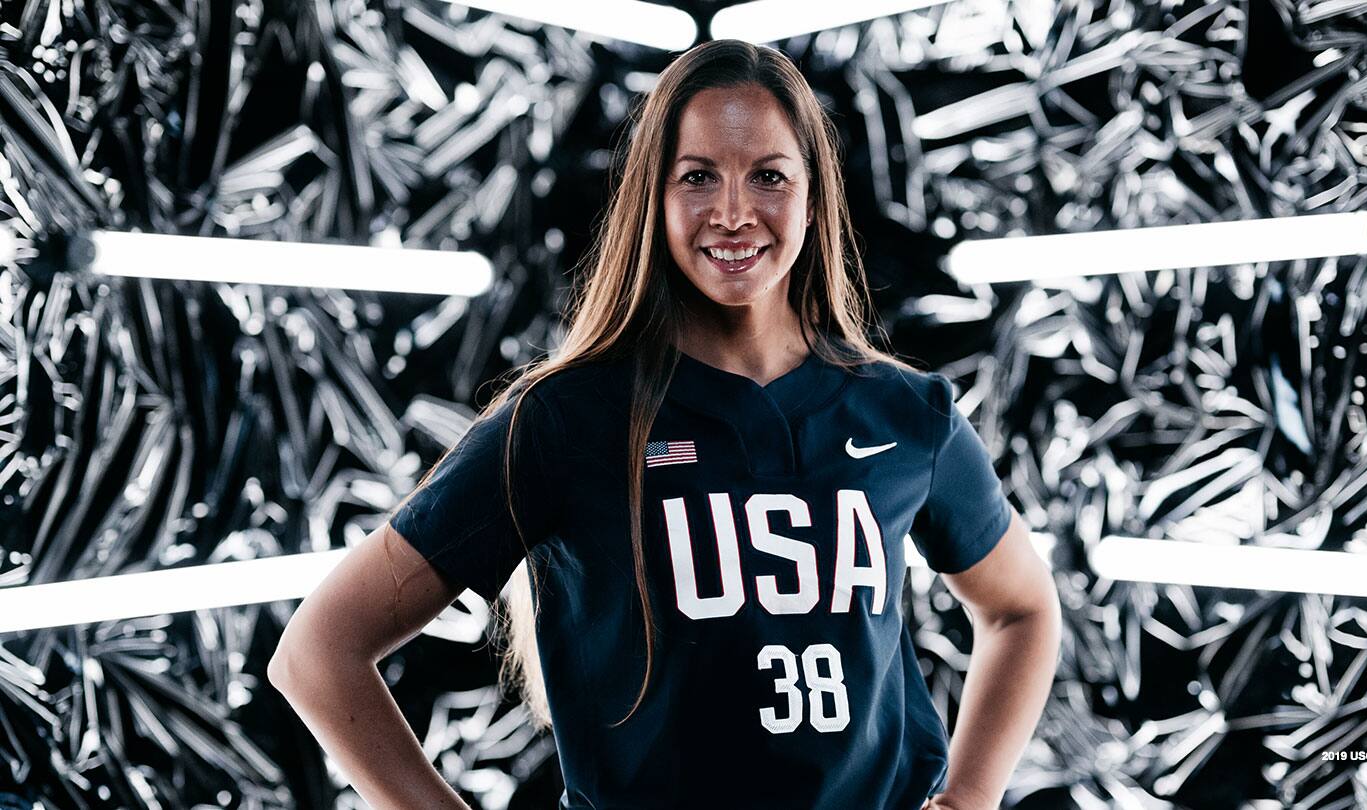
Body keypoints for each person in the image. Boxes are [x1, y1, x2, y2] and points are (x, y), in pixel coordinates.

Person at [268, 39, 1061, 810]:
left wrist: (970, 796)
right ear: (653, 197)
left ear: (815, 196)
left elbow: (1022, 609)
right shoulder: (564, 420)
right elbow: (318, 654)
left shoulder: (904, 413)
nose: (733, 212)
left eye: (769, 176)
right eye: (697, 177)